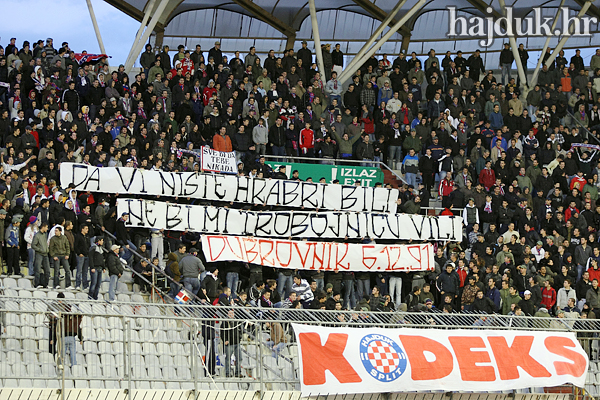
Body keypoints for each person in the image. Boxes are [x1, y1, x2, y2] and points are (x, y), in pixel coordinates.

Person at [88, 236, 106, 300]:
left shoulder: (101, 249)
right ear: (98, 240)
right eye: (102, 240)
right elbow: (91, 258)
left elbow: (102, 259)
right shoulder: (93, 248)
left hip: (100, 268)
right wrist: (92, 267)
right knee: (94, 283)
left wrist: (104, 267)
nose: (103, 241)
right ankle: (90, 296)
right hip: (95, 268)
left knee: (98, 284)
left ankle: (95, 297)